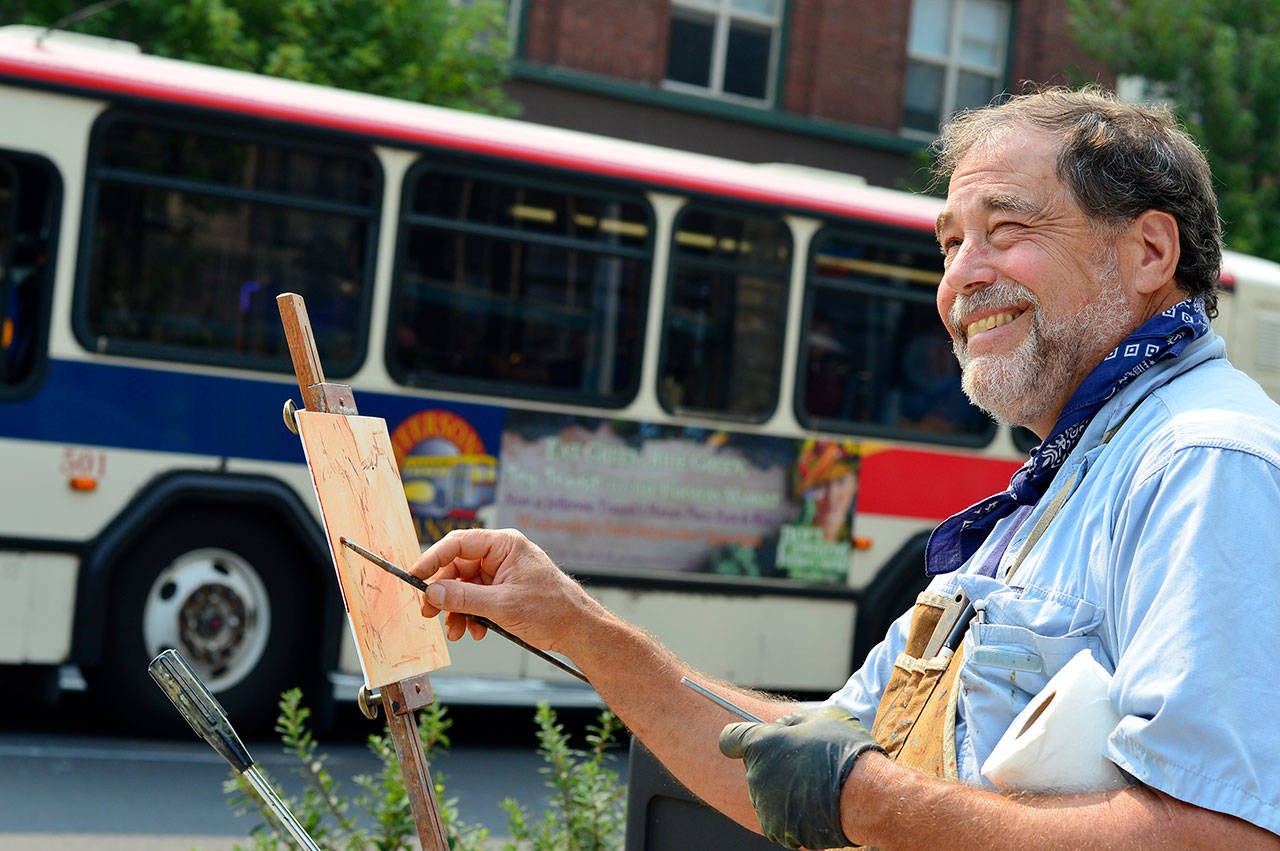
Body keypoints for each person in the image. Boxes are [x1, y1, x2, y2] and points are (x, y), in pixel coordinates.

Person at [408, 88, 1280, 848]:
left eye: (1005, 230)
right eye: (948, 244)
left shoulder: (1204, 464)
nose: (961, 278)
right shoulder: (1063, 483)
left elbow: (1220, 835)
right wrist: (579, 629)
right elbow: (813, 755)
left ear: (1150, 253)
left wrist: (869, 800)